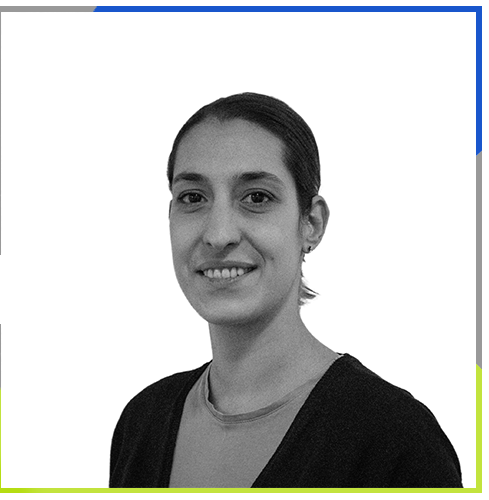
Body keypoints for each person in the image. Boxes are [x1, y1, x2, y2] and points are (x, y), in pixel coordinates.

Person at [109, 93, 462, 488]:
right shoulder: (143, 422)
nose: (218, 234)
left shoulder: (395, 440)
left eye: (256, 197)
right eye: (193, 198)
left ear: (311, 223)